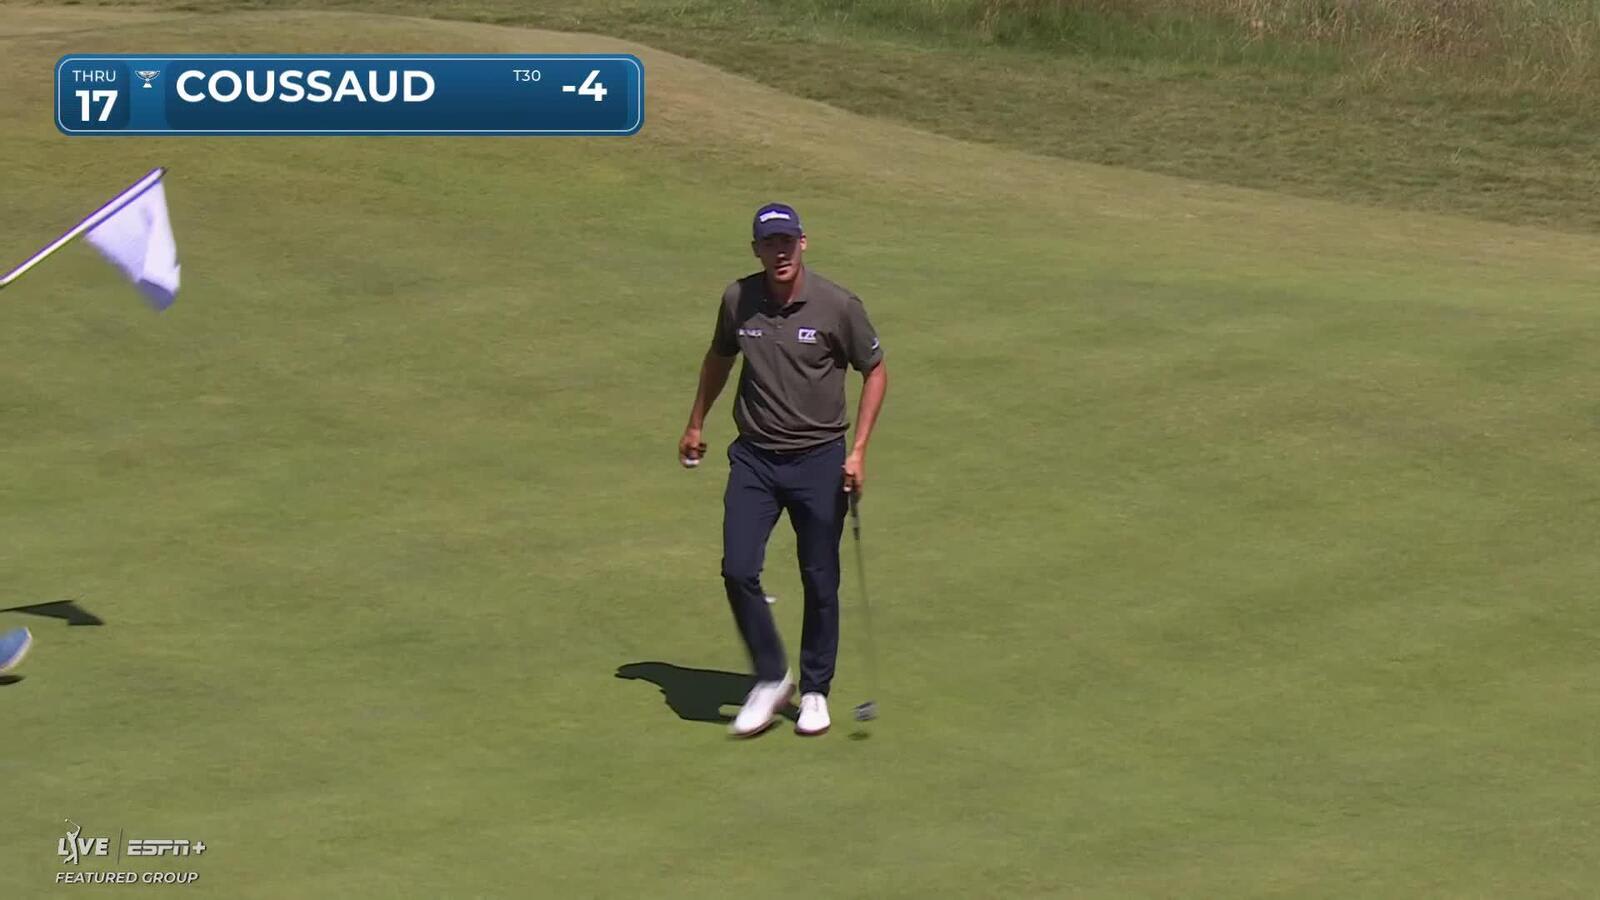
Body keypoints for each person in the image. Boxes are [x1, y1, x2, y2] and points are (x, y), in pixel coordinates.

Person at [679, 202, 889, 738]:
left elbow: (876, 370)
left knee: (819, 576)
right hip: (754, 458)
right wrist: (696, 422)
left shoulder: (837, 305)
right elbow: (718, 357)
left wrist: (859, 449)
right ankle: (773, 677)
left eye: (787, 242)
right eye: (769, 244)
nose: (780, 252)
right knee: (737, 568)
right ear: (756, 249)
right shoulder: (738, 300)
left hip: (820, 458)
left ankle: (816, 689)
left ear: (803, 243)